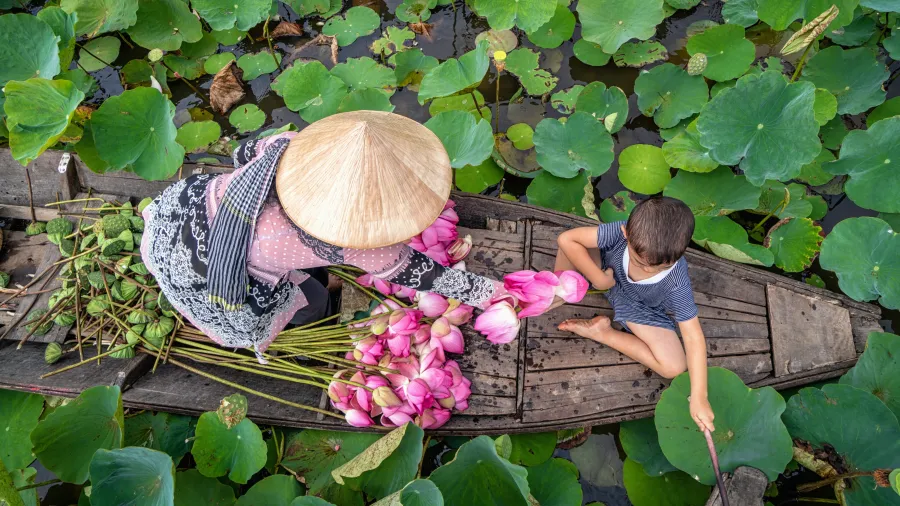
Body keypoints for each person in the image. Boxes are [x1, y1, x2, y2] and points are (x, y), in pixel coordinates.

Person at [140, 111, 506, 360]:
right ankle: (312, 320)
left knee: (294, 263)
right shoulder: (361, 249)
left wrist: (255, 193)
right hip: (209, 269)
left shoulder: (288, 144)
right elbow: (426, 275)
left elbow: (241, 153)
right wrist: (495, 293)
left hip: (184, 203)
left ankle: (305, 275)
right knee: (312, 300)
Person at [554, 196, 716, 432]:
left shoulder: (676, 281)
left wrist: (699, 395)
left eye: (659, 267)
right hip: (605, 272)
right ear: (626, 233)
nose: (647, 269)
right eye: (640, 261)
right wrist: (599, 278)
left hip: (639, 306)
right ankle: (559, 289)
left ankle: (603, 332)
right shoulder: (618, 233)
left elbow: (693, 336)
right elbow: (566, 238)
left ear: (678, 256)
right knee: (569, 248)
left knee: (674, 366)